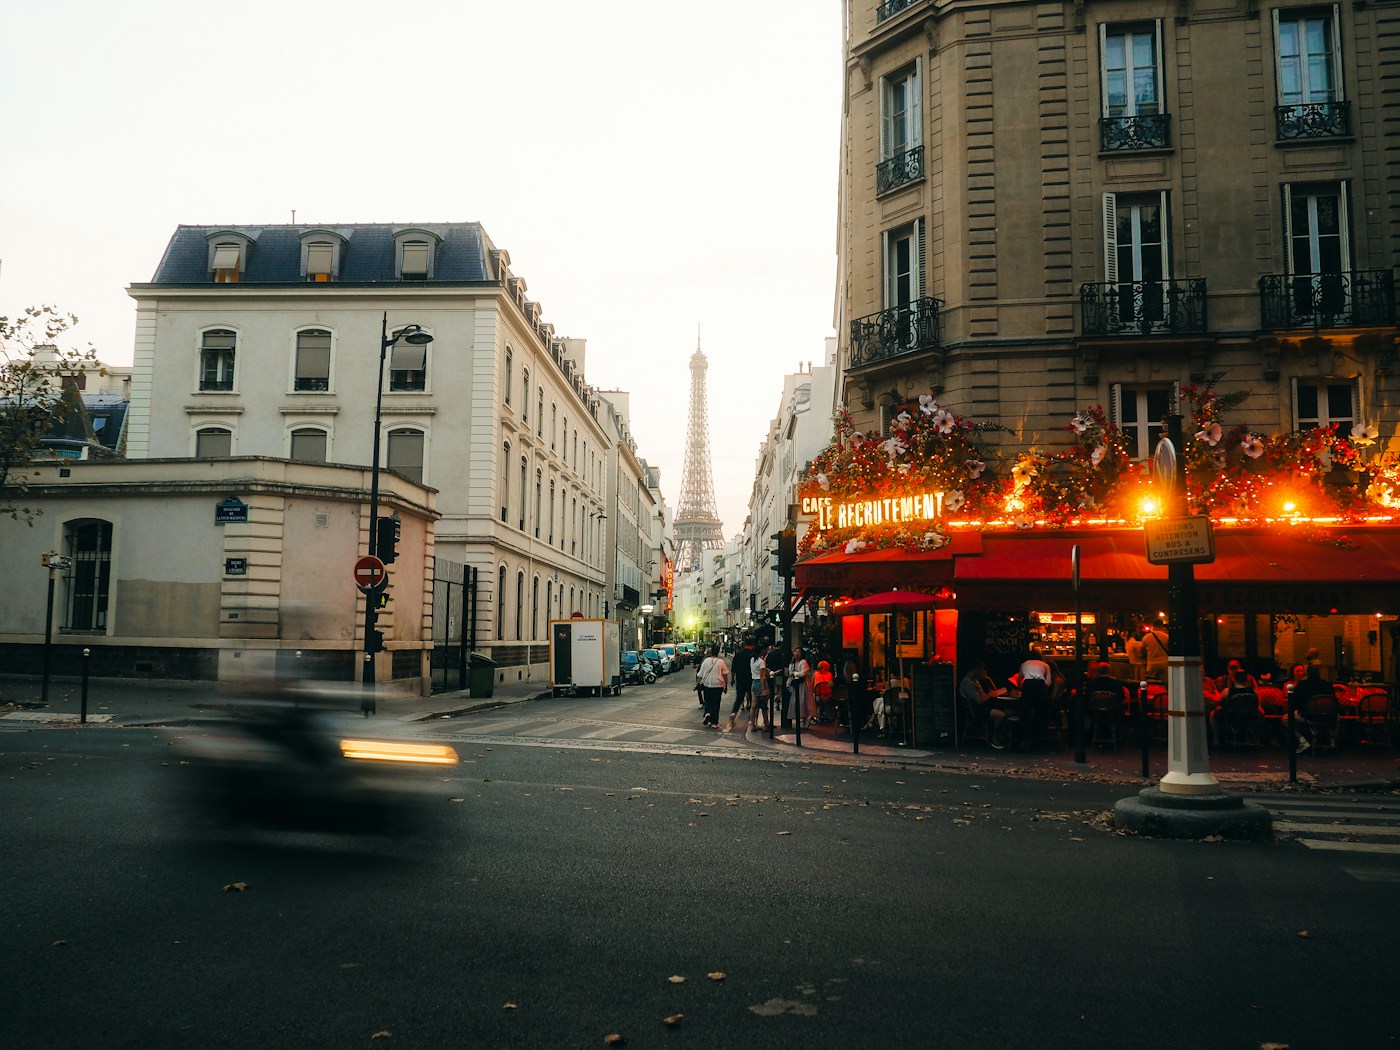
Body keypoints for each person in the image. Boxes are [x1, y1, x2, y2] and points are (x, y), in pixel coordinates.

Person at [1289, 663, 1337, 754]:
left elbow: (1295, 702)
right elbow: (1334, 703)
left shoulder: (1302, 685)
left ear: (1307, 674)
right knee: (1338, 717)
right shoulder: (1327, 685)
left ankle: (1302, 741)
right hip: (1328, 717)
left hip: (1308, 718)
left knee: (1286, 719)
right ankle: (1333, 741)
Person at [958, 660, 1007, 748]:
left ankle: (1000, 737)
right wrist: (989, 695)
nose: (983, 672)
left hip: (983, 707)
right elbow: (979, 701)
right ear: (976, 669)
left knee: (1008, 711)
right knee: (1001, 715)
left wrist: (990, 681)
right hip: (976, 710)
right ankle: (994, 739)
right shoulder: (968, 683)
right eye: (982, 670)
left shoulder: (975, 680)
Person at [1017, 649, 1054, 749]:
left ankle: (1023, 740)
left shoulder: (1024, 664)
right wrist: (1043, 689)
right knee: (1040, 711)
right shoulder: (1045, 665)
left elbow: (1019, 679)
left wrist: (1021, 689)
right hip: (1040, 685)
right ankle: (1038, 739)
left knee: (1025, 712)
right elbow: (1048, 681)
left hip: (1028, 684)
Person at [694, 644, 730, 728]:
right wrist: (726, 686)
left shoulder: (706, 661)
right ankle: (714, 723)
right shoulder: (721, 662)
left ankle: (707, 713)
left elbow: (700, 674)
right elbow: (725, 675)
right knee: (716, 703)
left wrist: (697, 684)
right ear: (718, 652)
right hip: (718, 685)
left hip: (707, 684)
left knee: (707, 701)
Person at [726, 637, 755, 732]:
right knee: (752, 699)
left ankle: (733, 713)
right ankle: (751, 719)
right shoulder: (753, 655)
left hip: (740, 679)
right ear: (752, 644)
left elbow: (733, 668)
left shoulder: (738, 655)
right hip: (751, 679)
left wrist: (732, 679)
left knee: (739, 698)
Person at [787, 645, 815, 729]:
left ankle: (805, 719)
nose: (796, 654)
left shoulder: (803, 662)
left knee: (803, 702)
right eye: (795, 652)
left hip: (802, 685)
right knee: (797, 702)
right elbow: (789, 672)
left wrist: (794, 674)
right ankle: (800, 719)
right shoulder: (792, 663)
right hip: (795, 685)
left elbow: (804, 673)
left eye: (798, 652)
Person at [749, 644, 770, 731]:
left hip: (754, 682)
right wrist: (764, 689)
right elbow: (762, 677)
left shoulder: (752, 660)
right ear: (762, 651)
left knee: (753, 706)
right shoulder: (761, 662)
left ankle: (753, 725)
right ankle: (766, 724)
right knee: (764, 705)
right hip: (760, 683)